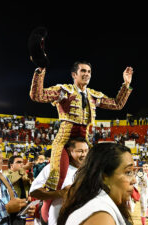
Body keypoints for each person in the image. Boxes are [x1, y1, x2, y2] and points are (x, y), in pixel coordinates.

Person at [30, 61, 133, 191]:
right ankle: (46, 208)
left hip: (84, 143)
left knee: (95, 174)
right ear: (74, 74)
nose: (87, 74)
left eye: (89, 72)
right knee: (57, 177)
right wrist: (40, 71)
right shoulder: (65, 91)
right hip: (64, 142)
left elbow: (117, 104)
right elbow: (37, 96)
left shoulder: (93, 96)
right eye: (83, 71)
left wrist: (126, 84)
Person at [57, 143, 136, 225]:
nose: (134, 180)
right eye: (128, 172)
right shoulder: (101, 216)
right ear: (104, 177)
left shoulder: (98, 205)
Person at [30, 137, 88, 225]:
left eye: (86, 151)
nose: (84, 154)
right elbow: (33, 192)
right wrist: (60, 193)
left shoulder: (90, 170)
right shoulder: (54, 168)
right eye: (80, 151)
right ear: (69, 151)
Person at [0, 136, 35, 225]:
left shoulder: (3, 179)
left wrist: (24, 209)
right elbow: (9, 209)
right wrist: (6, 209)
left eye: (0, 152)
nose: (2, 157)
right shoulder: (7, 175)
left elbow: (14, 206)